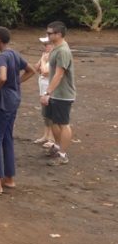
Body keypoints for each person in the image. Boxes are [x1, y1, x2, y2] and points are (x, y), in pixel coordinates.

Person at [0, 27, 35, 196]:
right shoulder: (15, 54)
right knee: (7, 138)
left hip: (4, 102)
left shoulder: (2, 56)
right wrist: (15, 82)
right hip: (14, 100)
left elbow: (2, 77)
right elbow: (31, 70)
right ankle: (9, 178)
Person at [41, 21, 76, 166]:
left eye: (50, 33)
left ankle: (62, 155)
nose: (47, 35)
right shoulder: (56, 48)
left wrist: (47, 92)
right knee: (53, 121)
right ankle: (57, 147)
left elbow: (59, 74)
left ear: (58, 34)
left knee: (63, 123)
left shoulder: (63, 51)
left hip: (63, 94)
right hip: (55, 93)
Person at [34, 36, 55, 148]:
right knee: (45, 113)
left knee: (51, 113)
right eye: (44, 45)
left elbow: (45, 71)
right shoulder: (45, 56)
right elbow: (37, 68)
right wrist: (41, 59)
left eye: (47, 44)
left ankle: (52, 138)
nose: (45, 47)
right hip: (43, 87)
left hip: (49, 88)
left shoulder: (53, 57)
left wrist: (42, 60)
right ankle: (46, 135)